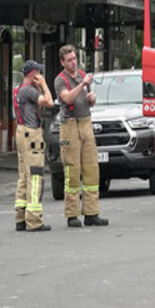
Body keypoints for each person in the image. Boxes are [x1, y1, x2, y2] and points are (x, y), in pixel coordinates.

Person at [54, 45, 108, 228]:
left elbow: (84, 99)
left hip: (86, 123)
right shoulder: (60, 80)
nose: (73, 62)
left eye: (74, 58)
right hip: (69, 126)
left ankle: (92, 213)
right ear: (62, 62)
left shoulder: (81, 75)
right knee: (73, 170)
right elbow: (68, 98)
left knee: (92, 168)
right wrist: (83, 84)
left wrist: (91, 99)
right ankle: (72, 215)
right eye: (69, 59)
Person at [13, 59, 54, 232]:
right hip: (32, 135)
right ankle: (34, 220)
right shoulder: (29, 91)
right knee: (35, 176)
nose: (40, 75)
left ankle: (20, 217)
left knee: (24, 175)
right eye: (39, 73)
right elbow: (49, 102)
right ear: (32, 74)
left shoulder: (18, 90)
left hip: (21, 133)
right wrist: (44, 85)